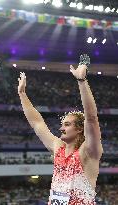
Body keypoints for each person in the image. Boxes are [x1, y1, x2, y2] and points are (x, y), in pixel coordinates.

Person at [18, 55, 103, 205]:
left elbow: (91, 118)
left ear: (79, 129)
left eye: (67, 124)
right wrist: (22, 94)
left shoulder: (89, 151)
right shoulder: (58, 148)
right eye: (62, 124)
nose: (61, 128)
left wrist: (82, 81)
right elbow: (37, 122)